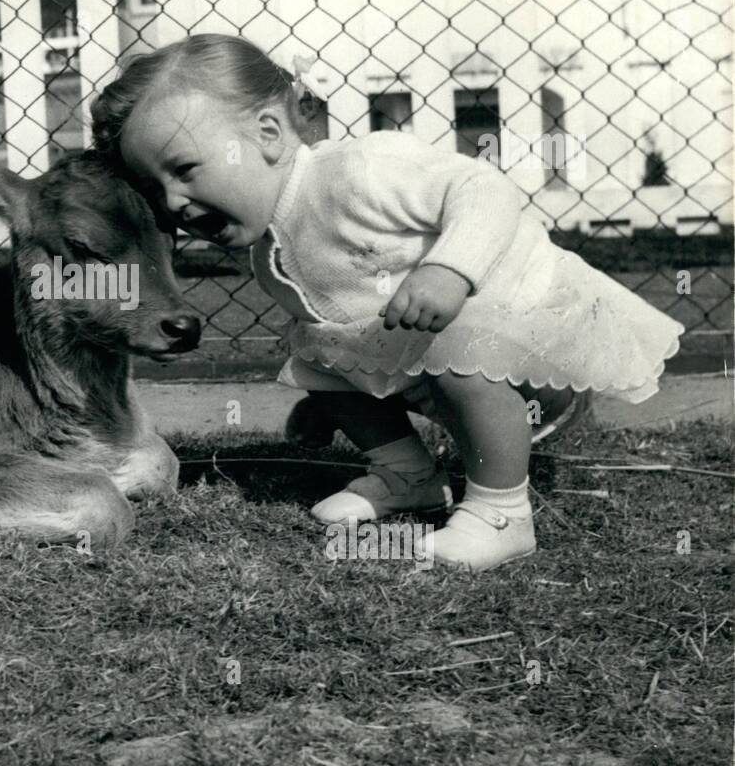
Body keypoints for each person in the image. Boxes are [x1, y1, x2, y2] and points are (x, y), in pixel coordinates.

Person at [92, 34, 683, 572]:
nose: (173, 201)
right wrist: (331, 399)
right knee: (313, 344)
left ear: (269, 134)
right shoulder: (269, 249)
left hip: (528, 354)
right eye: (155, 188)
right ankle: (406, 475)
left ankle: (501, 514)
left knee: (460, 338)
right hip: (436, 363)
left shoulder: (359, 170)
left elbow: (485, 188)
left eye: (185, 169)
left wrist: (448, 270)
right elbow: (341, 327)